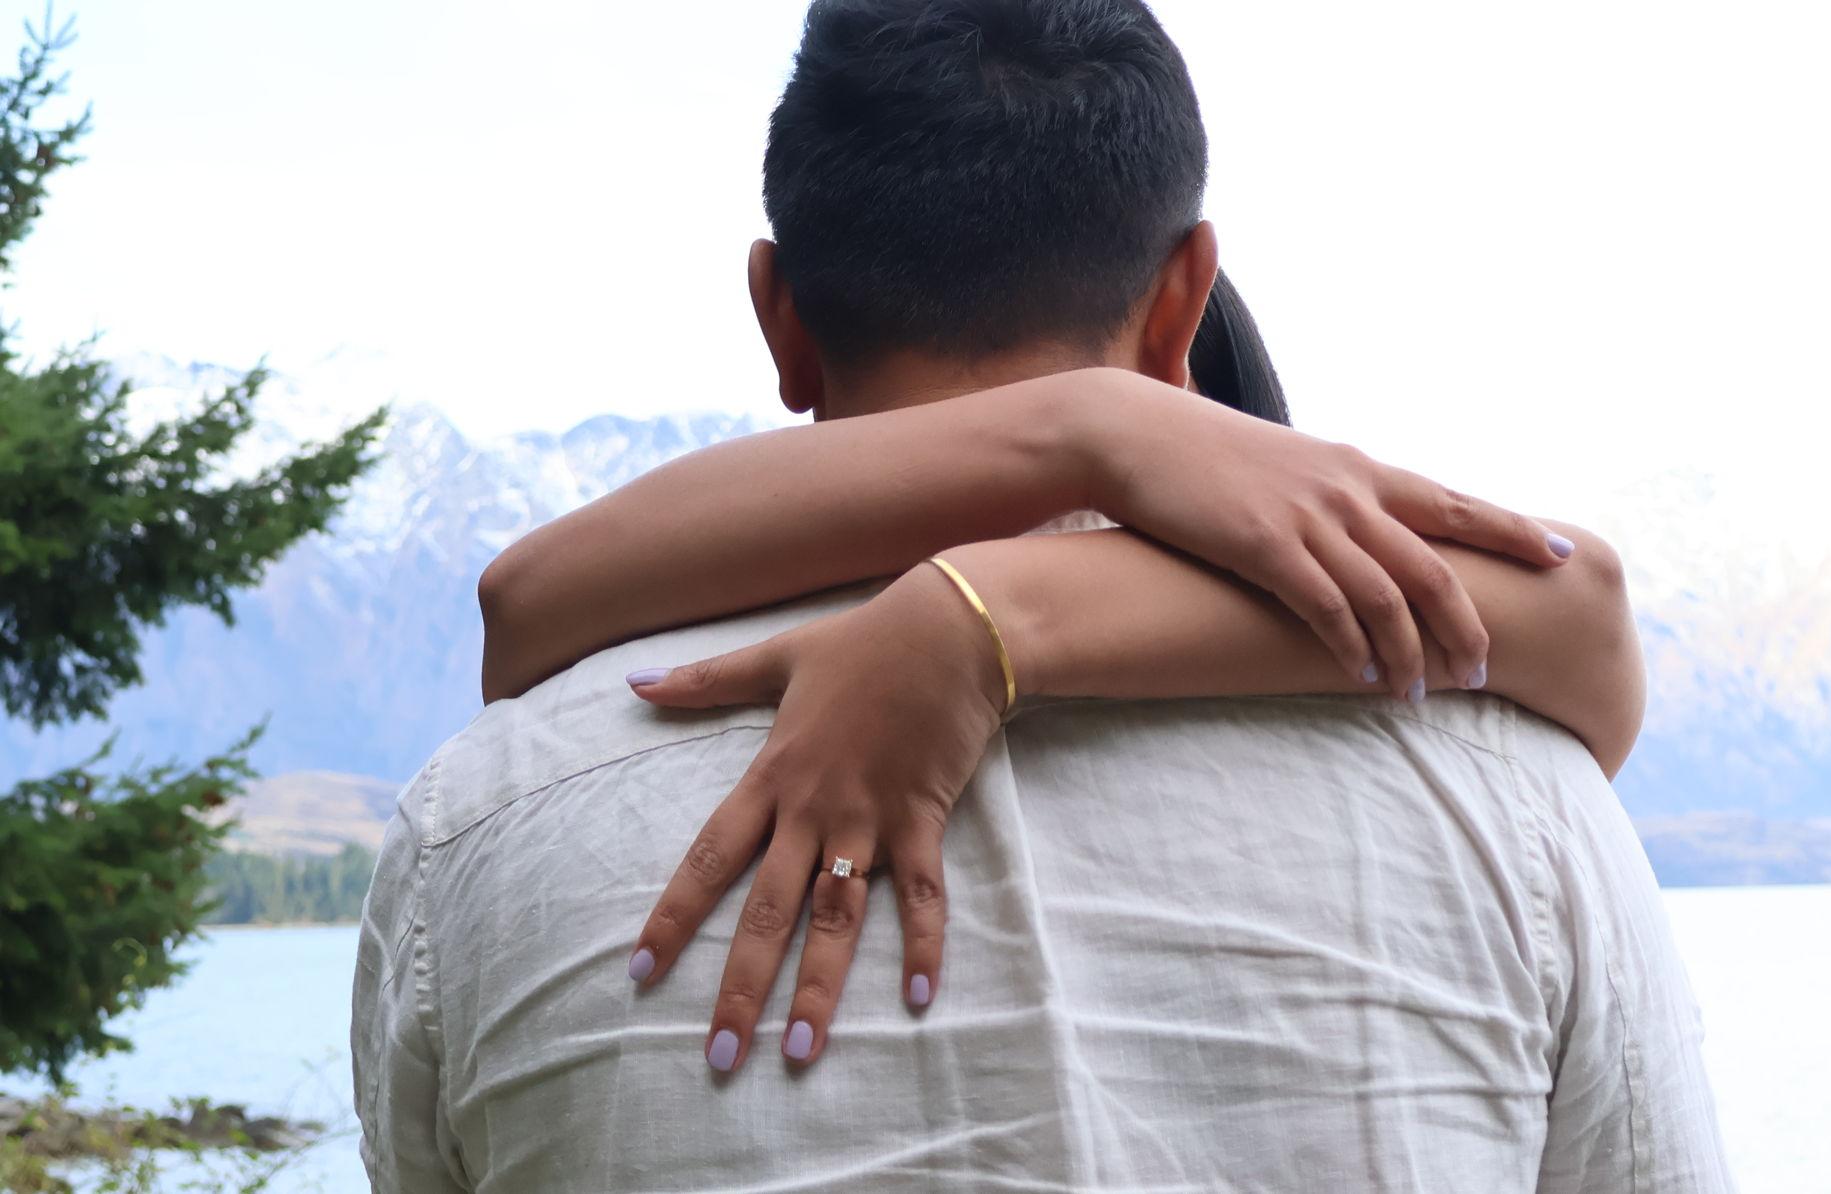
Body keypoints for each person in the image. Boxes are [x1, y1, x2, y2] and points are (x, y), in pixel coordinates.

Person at [351, 1, 1733, 1189]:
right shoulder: (1513, 791)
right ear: (1185, 302)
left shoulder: (477, 820)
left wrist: (990, 604)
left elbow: (516, 611)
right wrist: (1088, 433)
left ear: (781, 313)